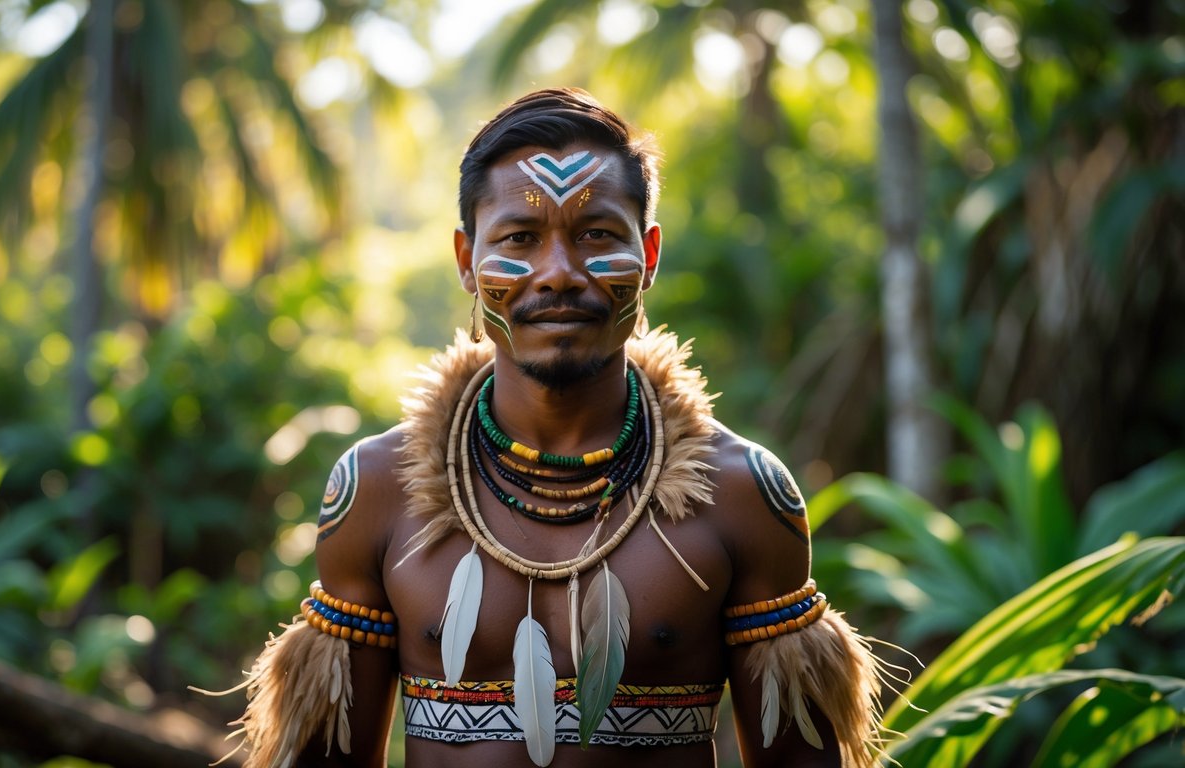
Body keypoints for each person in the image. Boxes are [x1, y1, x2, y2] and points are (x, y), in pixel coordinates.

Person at [235, 88, 882, 768]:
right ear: (465, 260)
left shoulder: (742, 495)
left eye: (596, 235)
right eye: (519, 238)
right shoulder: (375, 490)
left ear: (650, 254)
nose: (558, 274)